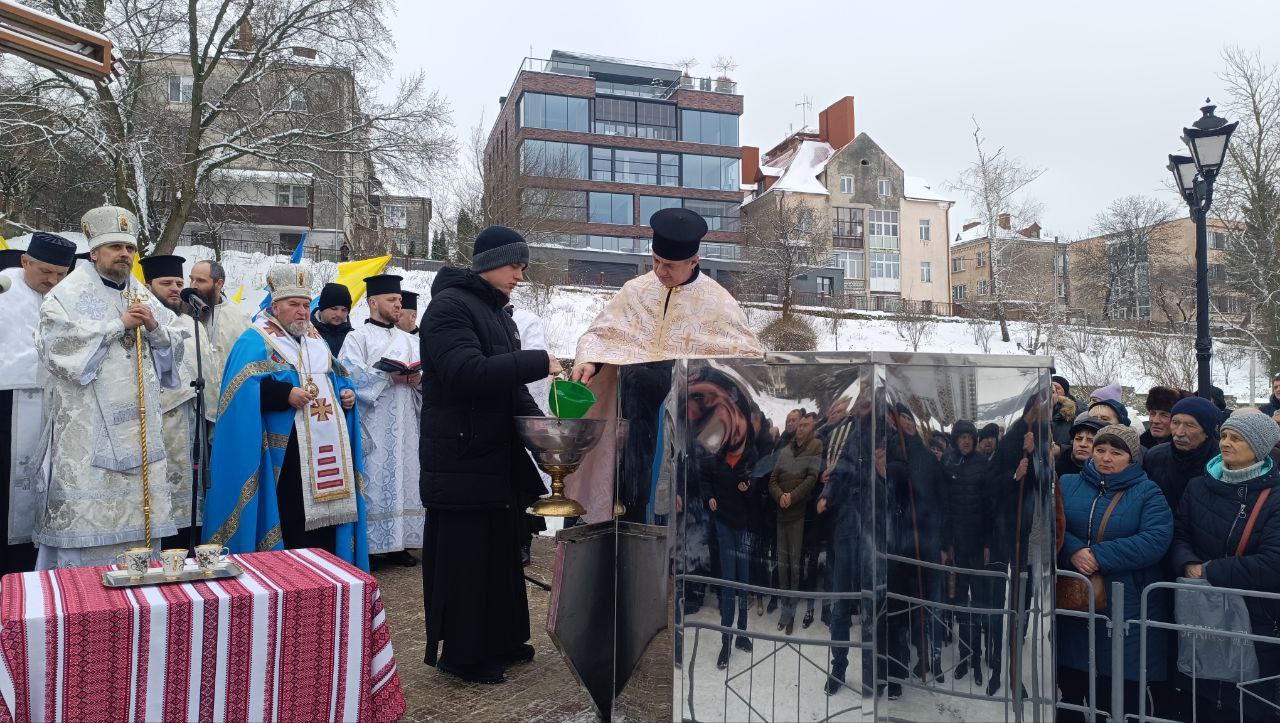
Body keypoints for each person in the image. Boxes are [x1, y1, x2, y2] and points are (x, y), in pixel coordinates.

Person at [419, 226, 560, 684]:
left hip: (495, 460)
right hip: (461, 457)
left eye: (523, 266)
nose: (521, 274)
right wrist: (540, 359)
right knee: (466, 563)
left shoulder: (497, 313)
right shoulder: (448, 309)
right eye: (515, 265)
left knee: (499, 557)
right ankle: (463, 654)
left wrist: (547, 441)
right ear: (489, 262)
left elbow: (509, 387)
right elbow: (466, 373)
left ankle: (500, 639)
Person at [566, 207, 763, 523]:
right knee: (627, 494)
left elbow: (746, 358)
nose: (659, 271)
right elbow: (601, 334)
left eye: (668, 265)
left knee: (671, 503)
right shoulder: (635, 291)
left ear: (694, 261)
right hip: (631, 409)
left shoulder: (719, 302)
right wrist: (590, 361)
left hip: (685, 419)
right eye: (655, 260)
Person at [33, 205, 182, 568]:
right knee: (85, 543)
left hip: (142, 435)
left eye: (130, 248)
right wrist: (117, 325)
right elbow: (57, 349)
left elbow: (176, 342)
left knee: (140, 536)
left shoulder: (141, 294)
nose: (124, 255)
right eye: (116, 246)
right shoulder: (65, 295)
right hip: (88, 439)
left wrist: (155, 330)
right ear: (95, 251)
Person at [203, 264, 367, 567]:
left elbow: (338, 378)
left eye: (306, 305)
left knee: (324, 533)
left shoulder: (316, 341)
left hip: (324, 454)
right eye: (294, 305)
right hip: (281, 456)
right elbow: (237, 396)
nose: (302, 312)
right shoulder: (255, 339)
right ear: (275, 306)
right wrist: (283, 395)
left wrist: (347, 394)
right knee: (290, 525)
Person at [1057, 424, 1173, 723]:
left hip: (1127, 605)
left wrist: (1098, 555)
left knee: (1120, 691)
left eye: (1115, 452)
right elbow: (1051, 523)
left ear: (1132, 458)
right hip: (1075, 601)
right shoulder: (1068, 483)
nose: (1105, 458)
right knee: (1072, 685)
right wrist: (1073, 549)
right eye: (1100, 450)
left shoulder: (1147, 491)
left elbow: (1156, 539)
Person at [1170, 412, 1280, 722]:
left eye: (1237, 438)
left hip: (1258, 617)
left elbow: (1274, 562)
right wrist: (1187, 563)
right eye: (1225, 436)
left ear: (1258, 447)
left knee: (1249, 704)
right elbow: (1179, 536)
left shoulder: (1275, 496)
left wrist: (1208, 572)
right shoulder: (1197, 487)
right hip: (1200, 612)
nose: (1226, 443)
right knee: (1202, 698)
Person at [0, 232, 74, 575]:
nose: (53, 280)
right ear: (25, 261)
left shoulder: (67, 299)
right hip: (6, 412)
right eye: (45, 271)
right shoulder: (4, 291)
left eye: (61, 274)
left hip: (53, 416)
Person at [339, 274, 423, 567]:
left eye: (399, 300)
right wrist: (387, 376)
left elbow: (425, 378)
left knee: (404, 477)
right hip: (373, 421)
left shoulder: (409, 339)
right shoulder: (356, 337)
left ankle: (399, 543)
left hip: (405, 421)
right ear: (373, 302)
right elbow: (347, 374)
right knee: (373, 481)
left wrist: (417, 379)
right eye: (392, 300)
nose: (398, 305)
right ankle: (371, 547)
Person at [141, 254, 208, 547]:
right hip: (157, 425)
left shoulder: (190, 323)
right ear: (147, 285)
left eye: (179, 283)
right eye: (165, 282)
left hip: (192, 424)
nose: (174, 289)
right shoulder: (143, 322)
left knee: (191, 507)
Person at [943, 419, 991, 685]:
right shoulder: (948, 463)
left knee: (980, 603)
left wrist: (986, 544)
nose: (965, 440)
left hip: (977, 547)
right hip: (957, 547)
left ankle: (978, 656)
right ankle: (964, 655)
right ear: (955, 439)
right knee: (961, 603)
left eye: (969, 436)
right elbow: (945, 508)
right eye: (961, 436)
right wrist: (946, 543)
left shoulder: (982, 464)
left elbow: (989, 509)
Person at [769, 411, 822, 634]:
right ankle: (785, 611)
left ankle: (790, 614)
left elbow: (812, 478)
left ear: (811, 427)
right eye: (798, 425)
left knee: (794, 566)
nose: (800, 428)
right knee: (782, 565)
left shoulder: (816, 446)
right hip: (781, 514)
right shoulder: (785, 450)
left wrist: (792, 496)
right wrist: (780, 494)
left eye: (805, 425)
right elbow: (773, 479)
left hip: (799, 515)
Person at [187, 259, 250, 420]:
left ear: (219, 283)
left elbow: (247, 362)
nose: (193, 285)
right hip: (192, 403)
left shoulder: (239, 316)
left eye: (200, 281)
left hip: (228, 401)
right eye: (191, 279)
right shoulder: (183, 312)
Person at [1143, 395, 1221, 513]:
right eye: (1175, 422)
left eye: (1190, 425)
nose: (1179, 433)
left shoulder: (1222, 462)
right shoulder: (1154, 456)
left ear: (1207, 431)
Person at [311, 281, 353, 356]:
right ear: (322, 308)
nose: (339, 314)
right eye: (334, 308)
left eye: (344, 310)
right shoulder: (305, 334)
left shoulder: (353, 337)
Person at [1142, 386, 1185, 451]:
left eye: (1164, 415)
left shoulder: (1185, 451)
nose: (1155, 421)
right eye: (1152, 413)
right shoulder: (1138, 449)